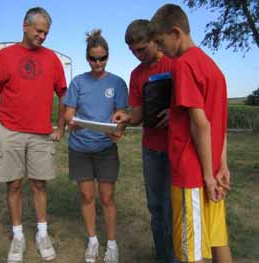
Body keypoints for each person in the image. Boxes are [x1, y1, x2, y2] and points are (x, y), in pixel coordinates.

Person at [148, 4, 232, 263]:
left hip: (192, 176)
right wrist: (222, 164)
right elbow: (219, 122)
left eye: (161, 43)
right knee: (218, 241)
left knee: (189, 252)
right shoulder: (211, 65)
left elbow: (201, 124)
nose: (160, 50)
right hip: (212, 171)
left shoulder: (183, 65)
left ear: (176, 32)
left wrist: (206, 175)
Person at [0, 7, 67, 263]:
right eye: (39, 30)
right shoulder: (4, 56)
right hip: (9, 131)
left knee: (39, 184)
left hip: (41, 134)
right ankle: (18, 235)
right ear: (25, 25)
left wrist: (60, 127)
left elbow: (63, 94)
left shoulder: (52, 59)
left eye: (46, 32)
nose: (42, 36)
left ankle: (42, 233)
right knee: (14, 184)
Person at [63, 29, 128, 263]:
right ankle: (92, 241)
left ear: (108, 56)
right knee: (86, 196)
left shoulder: (117, 83)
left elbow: (121, 115)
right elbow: (69, 113)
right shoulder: (78, 82)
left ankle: (111, 244)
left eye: (102, 58)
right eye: (93, 58)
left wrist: (119, 131)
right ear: (87, 57)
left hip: (105, 148)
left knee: (107, 198)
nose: (97, 63)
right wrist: (72, 123)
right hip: (79, 147)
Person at [113, 19, 175, 263]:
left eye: (142, 49)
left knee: (173, 208)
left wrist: (175, 113)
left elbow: (195, 104)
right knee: (156, 207)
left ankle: (177, 257)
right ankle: (162, 256)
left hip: (176, 148)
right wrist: (125, 117)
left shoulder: (175, 62)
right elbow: (137, 115)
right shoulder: (136, 75)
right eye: (132, 51)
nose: (138, 56)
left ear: (154, 40)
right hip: (151, 149)